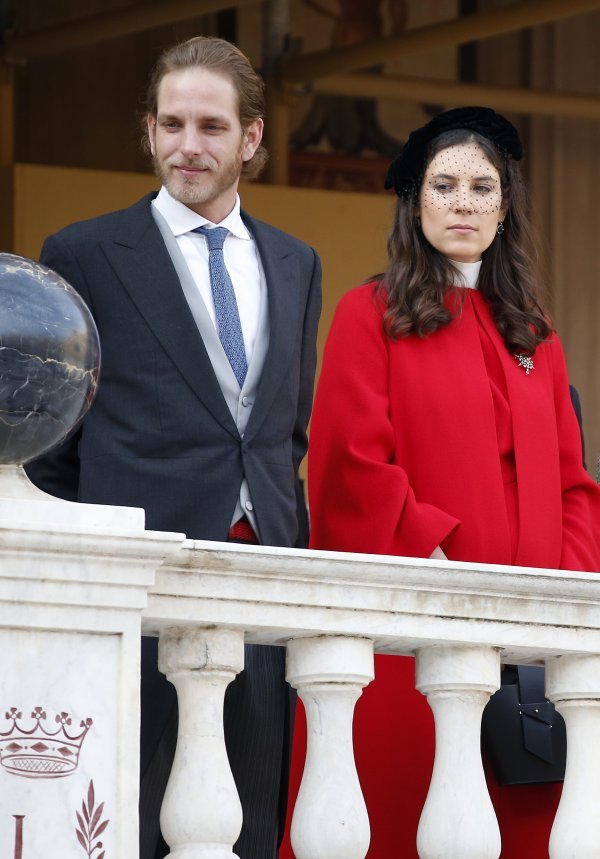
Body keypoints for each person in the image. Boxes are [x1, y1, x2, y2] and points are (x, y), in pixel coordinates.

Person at [25, 36, 322, 859]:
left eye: (211, 126)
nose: (189, 145)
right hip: (139, 592)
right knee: (137, 819)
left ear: (251, 138)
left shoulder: (297, 265)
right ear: (149, 131)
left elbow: (282, 437)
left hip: (264, 588)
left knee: (254, 818)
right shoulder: (82, 253)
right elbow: (55, 448)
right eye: (172, 123)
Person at [281, 107, 600, 858]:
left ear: (505, 204)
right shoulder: (373, 314)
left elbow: (573, 484)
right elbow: (352, 464)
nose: (464, 202)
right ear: (415, 201)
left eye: (482, 187)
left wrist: (559, 595)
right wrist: (446, 571)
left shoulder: (537, 333)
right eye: (445, 184)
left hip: (526, 655)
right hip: (413, 634)